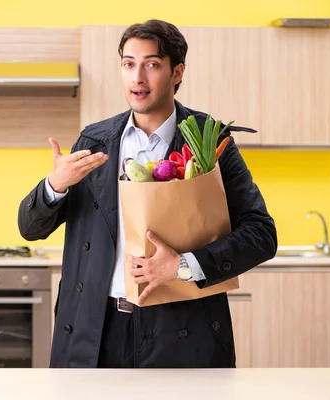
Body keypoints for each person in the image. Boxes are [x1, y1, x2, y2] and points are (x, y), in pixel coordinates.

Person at [18, 19, 277, 368]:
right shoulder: (93, 140)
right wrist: (55, 185)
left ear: (177, 72)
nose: (137, 77)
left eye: (152, 64)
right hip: (94, 330)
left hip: (181, 329)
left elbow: (261, 234)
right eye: (128, 64)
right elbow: (30, 229)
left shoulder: (209, 140)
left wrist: (183, 266)